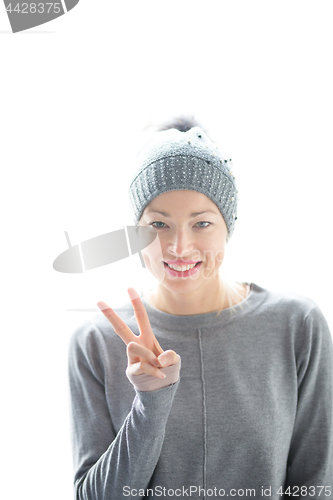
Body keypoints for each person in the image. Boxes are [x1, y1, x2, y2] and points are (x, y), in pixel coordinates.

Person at [68, 117, 333, 500]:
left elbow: (314, 485)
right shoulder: (95, 342)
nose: (179, 247)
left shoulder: (296, 325)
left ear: (228, 226)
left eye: (202, 223)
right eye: (158, 223)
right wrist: (151, 404)